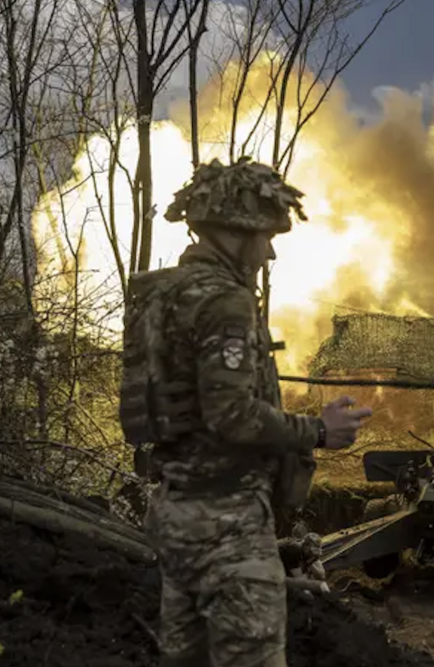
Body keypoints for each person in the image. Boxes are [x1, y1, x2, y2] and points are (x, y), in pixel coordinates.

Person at [134, 157, 373, 667]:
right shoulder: (225, 302)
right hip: (228, 524)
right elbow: (232, 414)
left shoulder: (163, 295)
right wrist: (319, 430)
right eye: (265, 236)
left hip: (176, 513)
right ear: (234, 233)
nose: (269, 251)